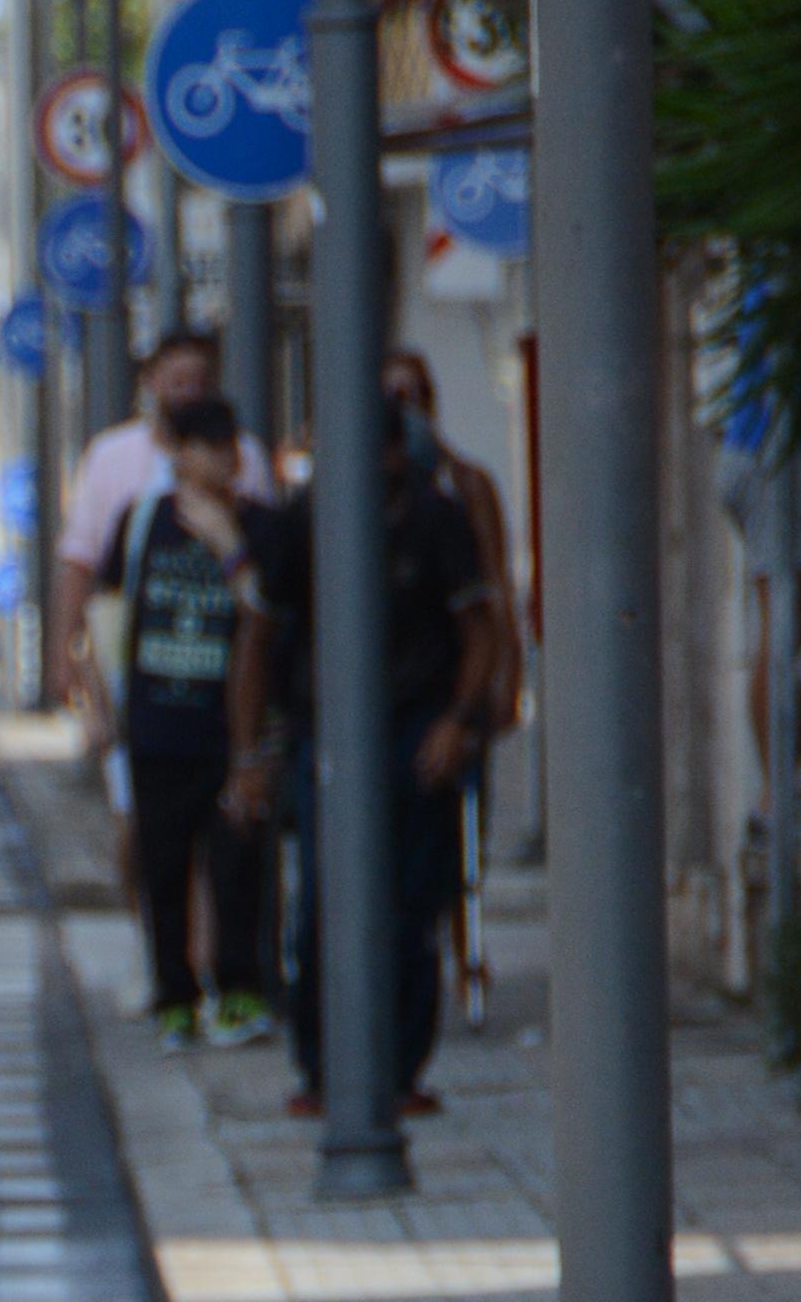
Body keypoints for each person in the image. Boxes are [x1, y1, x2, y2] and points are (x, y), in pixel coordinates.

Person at [237, 391, 506, 1119]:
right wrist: (251, 753)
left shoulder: (434, 517)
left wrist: (458, 722)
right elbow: (257, 642)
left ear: (394, 452)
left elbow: (481, 629)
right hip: (321, 733)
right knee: (322, 904)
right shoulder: (302, 522)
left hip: (415, 729)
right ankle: (323, 1070)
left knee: (409, 908)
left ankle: (399, 1071)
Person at [106, 395, 276, 1050]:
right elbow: (110, 607)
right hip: (158, 727)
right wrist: (103, 703)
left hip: (228, 728)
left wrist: (228, 542)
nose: (220, 460)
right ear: (176, 454)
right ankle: (174, 996)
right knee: (163, 867)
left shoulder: (257, 523)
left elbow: (266, 608)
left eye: (228, 446)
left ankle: (239, 991)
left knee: (236, 866)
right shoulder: (142, 522)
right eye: (204, 446)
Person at [384, 348, 522, 1031]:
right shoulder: (367, 489)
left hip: (454, 679)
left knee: (465, 821)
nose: (405, 410)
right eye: (392, 398)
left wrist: (507, 677)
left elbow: (493, 586)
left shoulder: (465, 484)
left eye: (414, 395)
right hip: (395, 686)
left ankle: (465, 949)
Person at [49, 327, 276, 727]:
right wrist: (69, 656)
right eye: (177, 382)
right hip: (143, 679)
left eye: (200, 382)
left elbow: (267, 568)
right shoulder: (110, 456)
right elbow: (82, 563)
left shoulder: (248, 456)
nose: (188, 392)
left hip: (225, 674)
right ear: (152, 382)